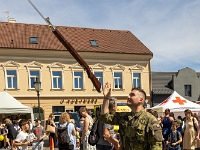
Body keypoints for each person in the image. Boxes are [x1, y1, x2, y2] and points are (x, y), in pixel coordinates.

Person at [98, 82, 163, 150]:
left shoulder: (150, 120)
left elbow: (156, 146)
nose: (128, 96)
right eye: (129, 94)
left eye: (132, 95)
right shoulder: (124, 116)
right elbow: (104, 117)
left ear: (141, 100)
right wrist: (106, 98)